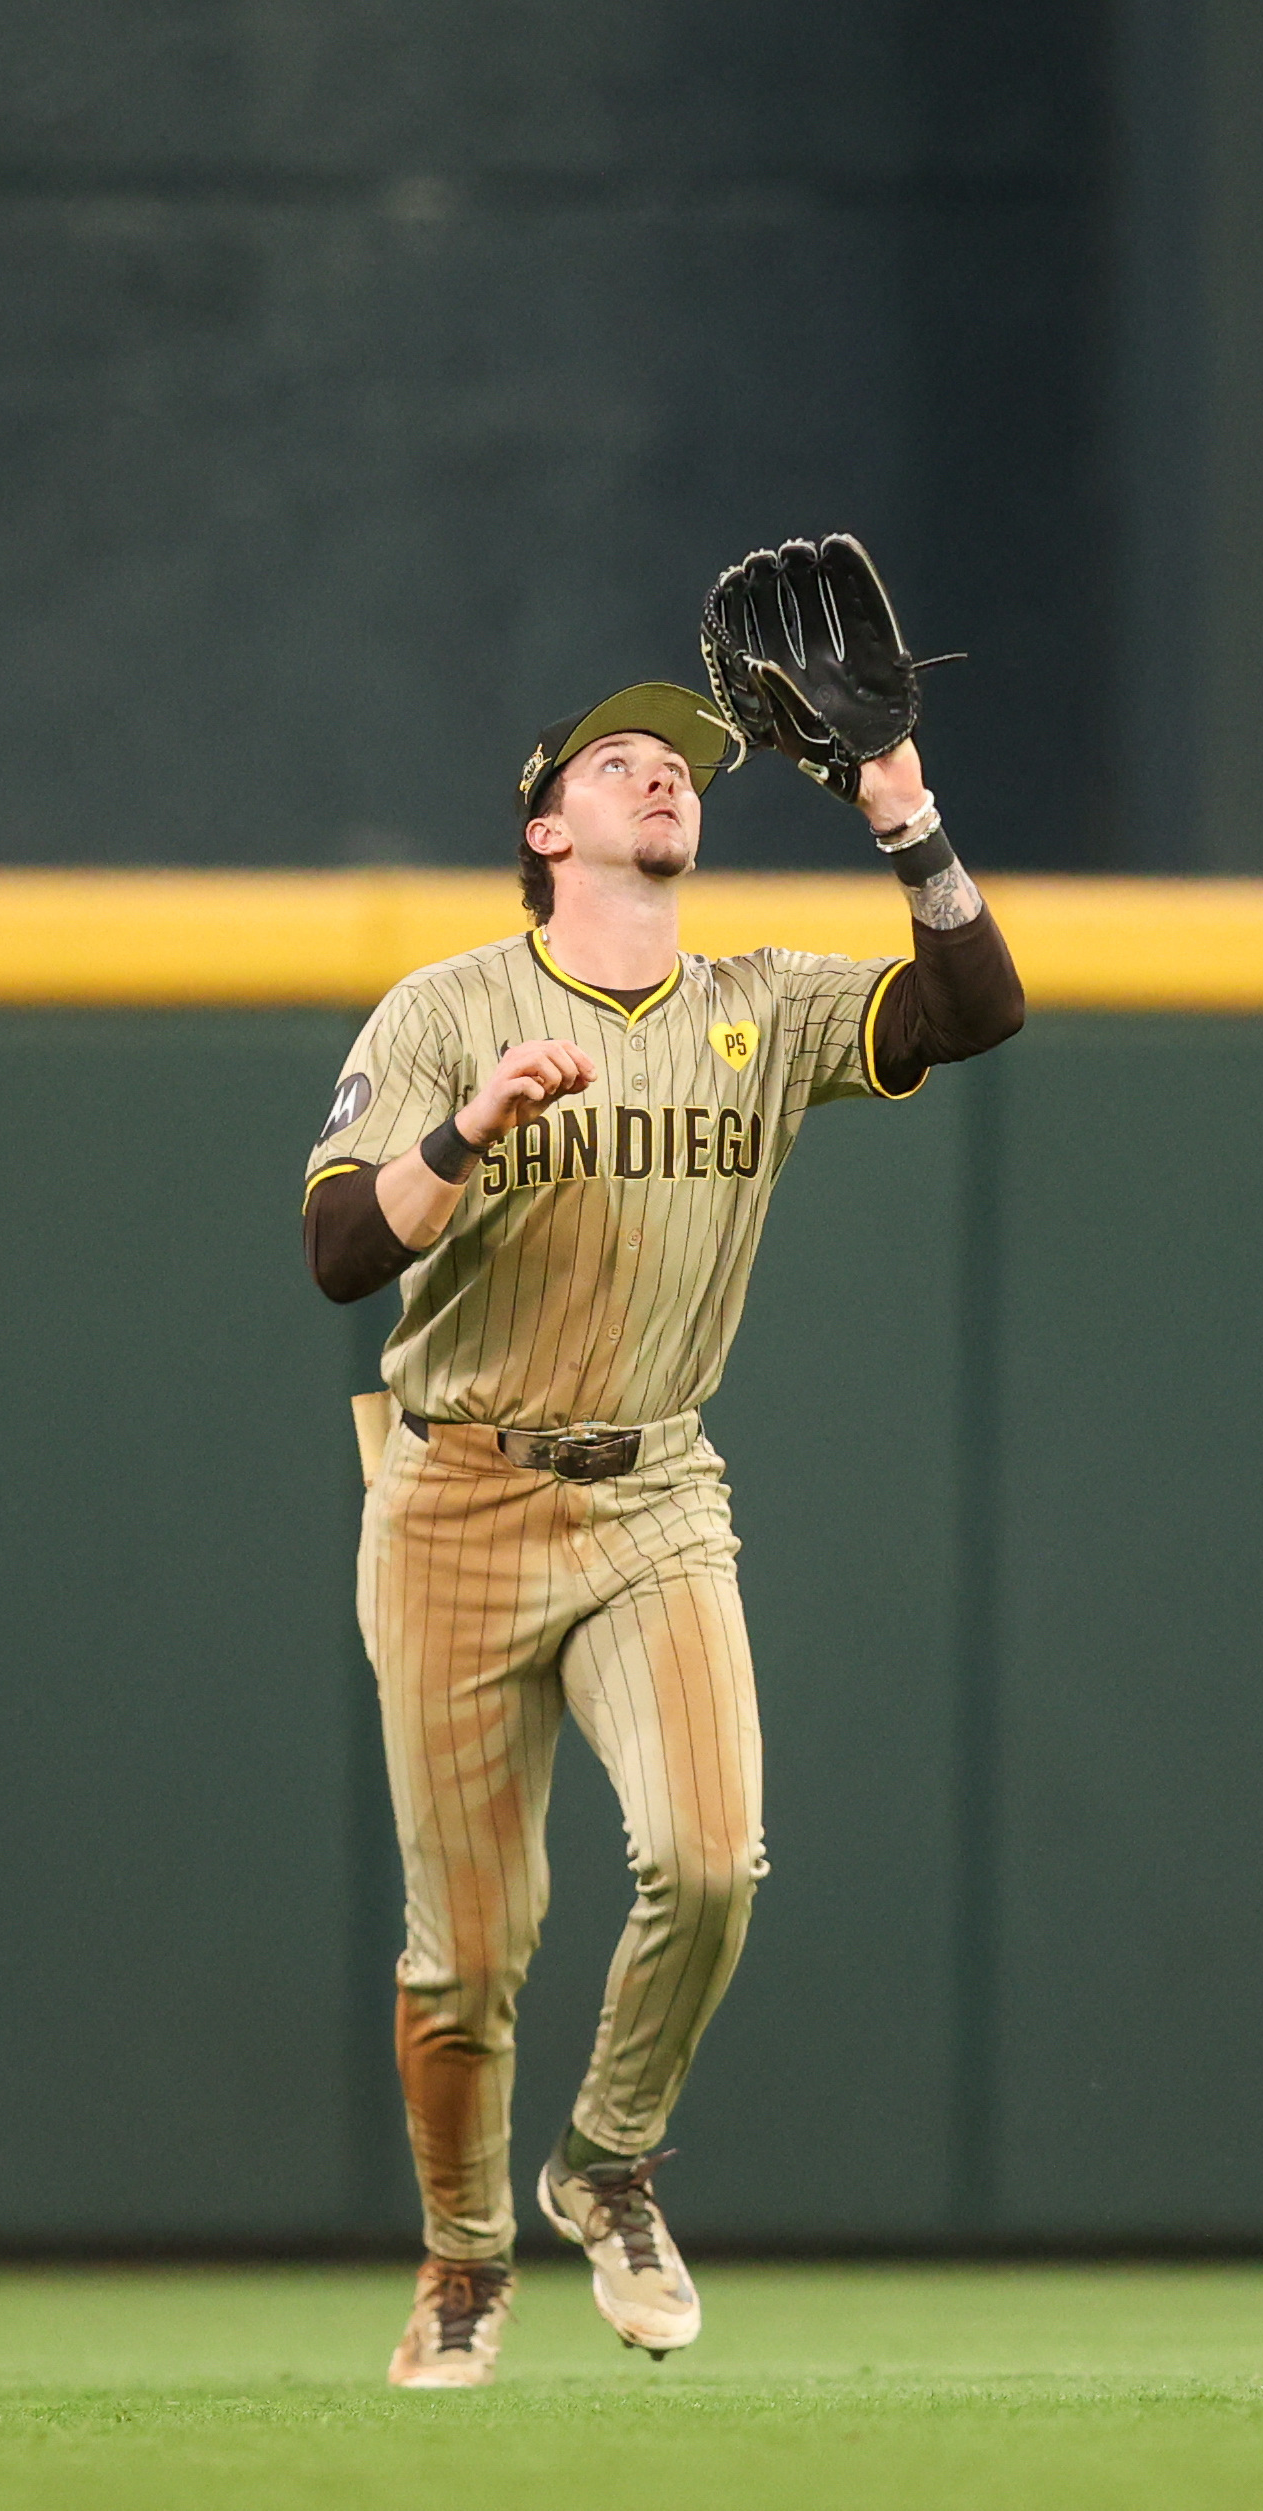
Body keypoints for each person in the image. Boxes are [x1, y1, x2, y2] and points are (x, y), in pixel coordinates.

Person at [302, 674, 1023, 2388]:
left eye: (686, 767)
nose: (666, 776)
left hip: (654, 1489)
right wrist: (466, 1131)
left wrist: (901, 814)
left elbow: (973, 1010)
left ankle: (607, 2163)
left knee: (709, 1860)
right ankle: (464, 2262)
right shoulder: (448, 1004)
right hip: (456, 1491)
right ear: (547, 828)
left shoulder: (755, 1005)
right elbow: (338, 1253)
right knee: (466, 1956)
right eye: (621, 762)